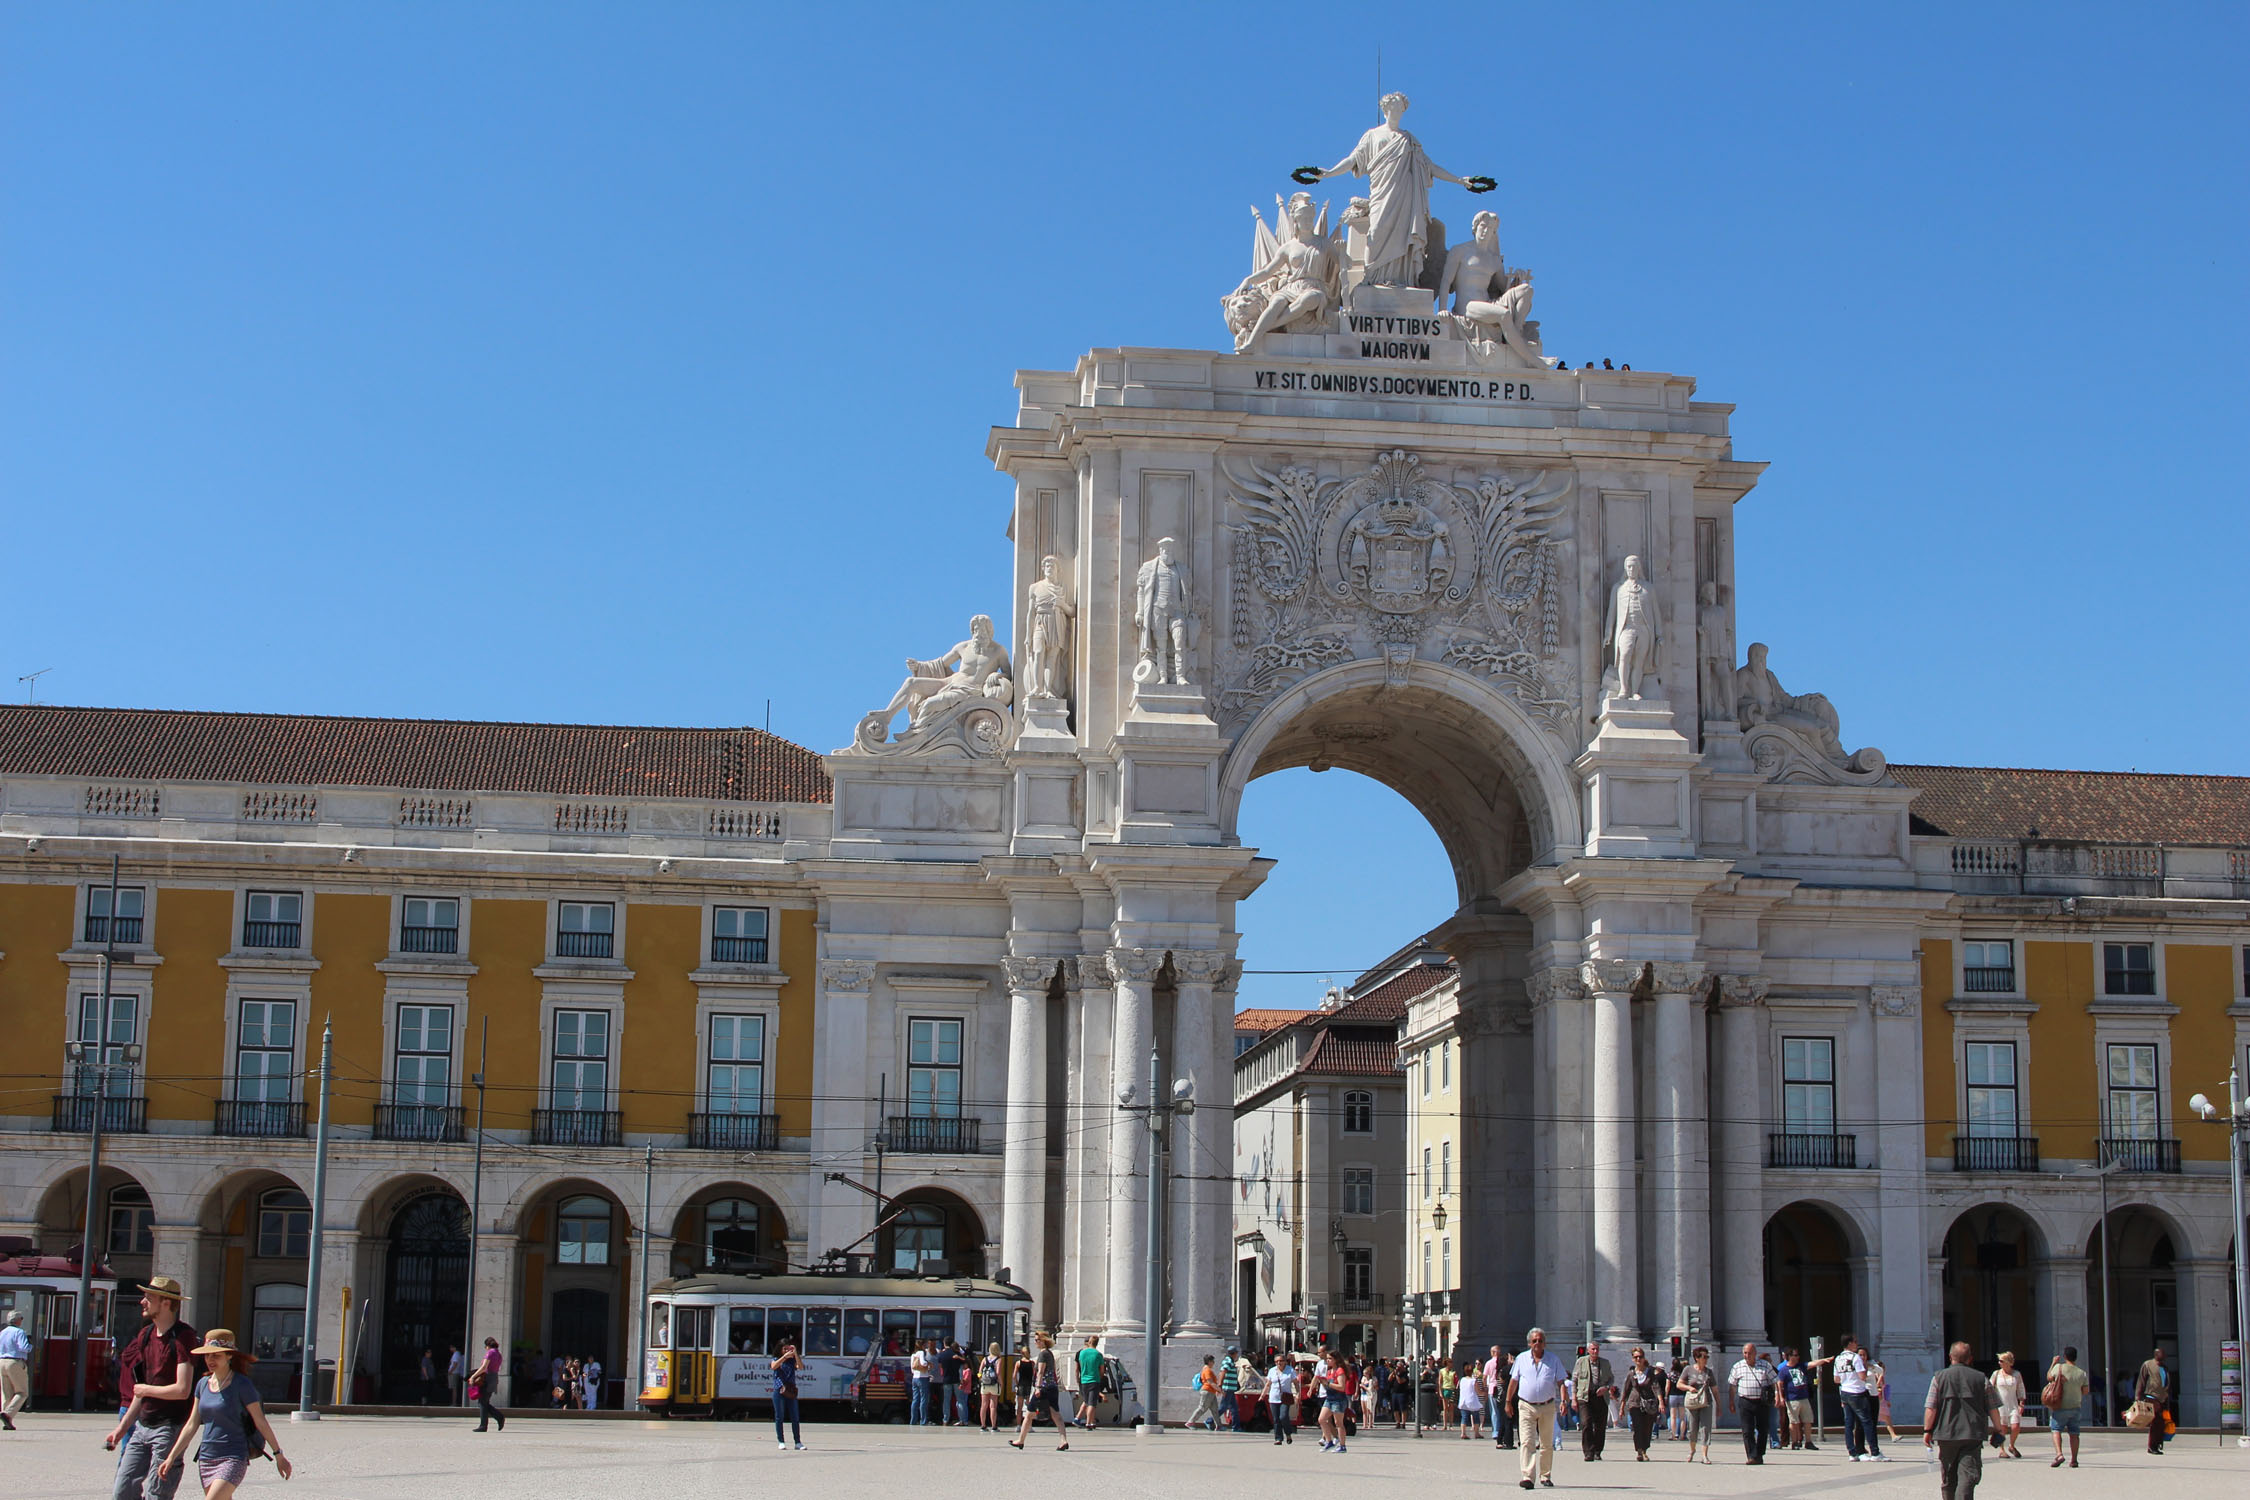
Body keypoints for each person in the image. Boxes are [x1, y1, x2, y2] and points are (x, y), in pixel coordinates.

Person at [155, 1329, 292, 1498]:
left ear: (229, 1356)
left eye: (216, 1355)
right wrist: (171, 1457)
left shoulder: (242, 1384)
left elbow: (260, 1421)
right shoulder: (203, 1384)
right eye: (207, 1356)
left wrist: (279, 1454)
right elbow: (192, 1424)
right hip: (206, 1458)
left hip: (233, 1457)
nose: (210, 1360)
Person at [109, 1275, 200, 1500]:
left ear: (166, 1303)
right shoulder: (146, 1335)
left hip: (169, 1428)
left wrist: (146, 1390)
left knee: (156, 1494)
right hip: (142, 1425)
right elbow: (142, 1389)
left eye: (149, 1297)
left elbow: (182, 1390)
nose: (143, 1302)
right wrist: (122, 1429)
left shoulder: (183, 1337)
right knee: (122, 1491)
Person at [1924, 1340, 2000, 1500]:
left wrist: (1927, 1430)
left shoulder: (1938, 1377)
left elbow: (1931, 1407)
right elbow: (1993, 1407)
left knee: (1948, 1478)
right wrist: (1998, 1429)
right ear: (1970, 1358)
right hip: (1972, 1435)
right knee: (1968, 1477)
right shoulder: (1981, 1379)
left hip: (1946, 1434)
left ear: (1950, 1356)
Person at [1505, 1326, 1572, 1490]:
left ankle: (1545, 1475)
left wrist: (1564, 1401)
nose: (1537, 1343)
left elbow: (1561, 1382)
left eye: (1540, 1341)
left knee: (1546, 1443)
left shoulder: (1553, 1359)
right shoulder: (1521, 1359)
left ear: (1545, 1343)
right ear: (1529, 1343)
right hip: (1526, 1405)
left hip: (1547, 1406)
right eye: (1534, 1341)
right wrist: (1507, 1401)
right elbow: (1514, 1381)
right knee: (1527, 1441)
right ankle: (1528, 1476)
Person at [1008, 1333, 1069, 1450]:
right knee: (1056, 1415)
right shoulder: (1050, 1354)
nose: (1035, 1342)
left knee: (1029, 1414)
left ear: (1043, 1341)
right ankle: (1063, 1441)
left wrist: (1038, 1387)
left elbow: (1041, 1372)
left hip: (1043, 1388)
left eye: (1037, 1340)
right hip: (1052, 1387)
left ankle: (1020, 1441)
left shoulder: (1043, 1354)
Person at [1834, 1334, 1885, 1461]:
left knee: (1849, 1423)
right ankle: (1875, 1452)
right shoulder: (1855, 1357)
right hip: (1857, 1391)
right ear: (1850, 1343)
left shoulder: (1838, 1358)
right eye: (1855, 1342)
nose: (1857, 1344)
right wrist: (1864, 1370)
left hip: (1845, 1391)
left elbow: (1836, 1379)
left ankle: (1852, 1453)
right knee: (1867, 1421)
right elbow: (1862, 1376)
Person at [1726, 1342, 1778, 1465]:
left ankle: (1759, 1453)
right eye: (1745, 1353)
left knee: (1763, 1429)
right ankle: (1752, 1455)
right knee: (1747, 1430)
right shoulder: (1737, 1366)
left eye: (1749, 1353)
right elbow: (1732, 1386)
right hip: (1745, 1401)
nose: (1747, 1355)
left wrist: (1778, 1396)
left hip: (1761, 1402)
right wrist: (1731, 1402)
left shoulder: (1764, 1365)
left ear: (1755, 1353)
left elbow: (1775, 1381)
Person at [2044, 1345, 2088, 1468]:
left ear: (2064, 1356)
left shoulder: (2059, 1368)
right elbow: (2085, 1391)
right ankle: (2074, 1460)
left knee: (2056, 1430)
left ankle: (2059, 1454)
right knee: (2074, 1433)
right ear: (2076, 1357)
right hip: (2075, 1406)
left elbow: (2049, 1377)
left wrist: (2053, 1363)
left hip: (2060, 1406)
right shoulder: (2082, 1373)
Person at [1674, 1347, 1716, 1464]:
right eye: (1704, 1356)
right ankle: (1692, 1450)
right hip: (1692, 1403)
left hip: (1706, 1402)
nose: (1706, 1359)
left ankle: (1704, 1455)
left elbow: (1715, 1389)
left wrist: (1719, 1405)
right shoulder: (1688, 1369)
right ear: (1697, 1358)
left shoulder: (1709, 1372)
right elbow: (1679, 1384)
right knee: (1692, 1429)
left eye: (1707, 1356)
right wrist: (1689, 1388)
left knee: (1706, 1429)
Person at [1572, 1341, 1614, 1459]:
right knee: (1586, 1423)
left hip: (1600, 1397)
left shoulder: (1605, 1363)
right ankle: (1588, 1452)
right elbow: (1574, 1380)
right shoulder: (1581, 1362)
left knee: (1600, 1426)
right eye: (1593, 1349)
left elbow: (1611, 1379)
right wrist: (1574, 1398)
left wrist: (1605, 1388)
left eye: (1597, 1349)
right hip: (1585, 1397)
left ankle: (1597, 1451)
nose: (1595, 1351)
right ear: (1588, 1350)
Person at [1620, 1347, 1663, 1461]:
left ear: (1644, 1358)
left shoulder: (1650, 1372)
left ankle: (1645, 1450)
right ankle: (1639, 1450)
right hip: (1635, 1403)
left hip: (1648, 1403)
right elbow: (1626, 1390)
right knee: (1638, 1427)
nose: (1638, 1359)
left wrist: (1661, 1402)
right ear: (1633, 1359)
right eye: (1636, 1357)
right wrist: (1622, 1406)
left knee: (1647, 1427)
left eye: (1640, 1357)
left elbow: (1656, 1387)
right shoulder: (1631, 1373)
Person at [1988, 1351, 2024, 1459]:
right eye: (1999, 1361)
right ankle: (2002, 1450)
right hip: (2000, 1405)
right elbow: (1989, 1387)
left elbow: (2021, 1388)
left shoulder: (2016, 1374)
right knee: (2002, 1427)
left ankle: (2011, 1445)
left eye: (2002, 1361)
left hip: (2013, 1404)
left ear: (2008, 1362)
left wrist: (2021, 1403)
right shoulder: (1996, 1374)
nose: (1999, 1363)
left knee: (2015, 1426)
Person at [1314, 1350, 1351, 1453]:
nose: (1328, 1360)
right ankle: (1329, 1441)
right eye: (1327, 1358)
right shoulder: (1329, 1371)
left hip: (1338, 1400)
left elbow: (1341, 1387)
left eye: (1330, 1358)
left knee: (1338, 1423)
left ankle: (1342, 1445)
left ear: (1336, 1360)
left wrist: (1328, 1384)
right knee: (1321, 1419)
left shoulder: (1340, 1371)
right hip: (1329, 1398)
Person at [2135, 1346, 2170, 1454]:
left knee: (2161, 1423)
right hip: (2151, 1396)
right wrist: (2138, 1396)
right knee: (2155, 1422)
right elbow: (2141, 1380)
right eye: (2162, 1354)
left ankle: (2158, 1444)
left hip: (2162, 1398)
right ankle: (2152, 1446)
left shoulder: (2164, 1367)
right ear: (2156, 1355)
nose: (2164, 1356)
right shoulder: (2148, 1365)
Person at [770, 1339, 804, 1450]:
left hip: (791, 1390)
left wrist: (795, 1353)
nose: (786, 1351)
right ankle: (781, 1441)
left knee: (795, 1416)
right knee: (779, 1416)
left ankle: (797, 1442)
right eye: (784, 1349)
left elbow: (801, 1367)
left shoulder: (792, 1360)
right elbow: (774, 1366)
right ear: (780, 1349)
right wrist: (784, 1357)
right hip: (779, 1390)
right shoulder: (776, 1359)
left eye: (787, 1349)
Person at [1, 1309, 31, 1430]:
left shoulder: (2, 1332)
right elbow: (24, 1348)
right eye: (21, 1319)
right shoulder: (19, 1332)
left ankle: (6, 1419)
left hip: (1, 1361)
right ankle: (7, 1415)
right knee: (22, 1392)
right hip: (15, 1362)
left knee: (5, 1393)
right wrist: (30, 1345)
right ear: (18, 1320)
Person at [468, 1337, 504, 1430]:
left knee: (482, 1402)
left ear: (488, 1345)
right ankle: (498, 1417)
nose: (485, 1348)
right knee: (484, 1401)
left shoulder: (490, 1352)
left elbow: (484, 1367)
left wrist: (473, 1376)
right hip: (494, 1378)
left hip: (487, 1379)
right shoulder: (498, 1354)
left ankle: (485, 1425)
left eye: (485, 1346)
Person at [1264, 1349, 1298, 1444]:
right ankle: (1278, 1438)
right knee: (1276, 1419)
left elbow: (1295, 1383)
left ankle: (1288, 1433)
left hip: (1285, 1397)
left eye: (1281, 1361)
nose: (1279, 1363)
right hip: (1273, 1397)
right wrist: (1263, 1395)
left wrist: (1298, 1393)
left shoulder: (1290, 1370)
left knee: (1283, 1416)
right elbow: (1268, 1384)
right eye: (1277, 1361)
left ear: (1285, 1362)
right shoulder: (1272, 1371)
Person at [1075, 1335, 1104, 1429]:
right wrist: (1099, 1377)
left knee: (1087, 1401)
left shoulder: (1082, 1353)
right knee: (1092, 1403)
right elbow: (1102, 1370)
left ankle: (1089, 1421)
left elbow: (1079, 1367)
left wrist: (1079, 1379)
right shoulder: (1098, 1354)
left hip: (1084, 1380)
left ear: (1089, 1342)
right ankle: (1088, 1422)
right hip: (1094, 1380)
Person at [938, 1340, 966, 1426]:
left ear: (944, 1343)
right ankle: (962, 1420)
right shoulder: (956, 1355)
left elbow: (940, 1366)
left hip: (946, 1380)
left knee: (946, 1401)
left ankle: (945, 1420)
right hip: (956, 1380)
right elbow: (964, 1361)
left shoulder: (942, 1354)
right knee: (960, 1400)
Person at [1191, 1355, 1221, 1431]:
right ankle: (1191, 1422)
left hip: (1211, 1392)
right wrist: (1220, 1390)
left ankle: (1219, 1426)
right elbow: (1210, 1382)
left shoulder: (1207, 1370)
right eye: (1213, 1361)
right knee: (1202, 1408)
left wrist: (1217, 1390)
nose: (1214, 1363)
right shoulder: (1207, 1370)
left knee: (1215, 1410)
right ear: (1209, 1362)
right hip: (1207, 1391)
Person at [977, 1343, 1003, 1431]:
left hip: (984, 1385)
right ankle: (994, 1426)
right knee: (993, 1406)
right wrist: (1001, 1383)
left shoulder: (985, 1359)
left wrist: (981, 1378)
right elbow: (998, 1373)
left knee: (983, 1405)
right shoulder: (999, 1359)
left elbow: (979, 1371)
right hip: (994, 1384)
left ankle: (983, 1425)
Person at [1457, 1358, 1485, 1439]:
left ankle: (1463, 1433)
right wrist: (1484, 1392)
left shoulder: (1462, 1380)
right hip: (1472, 1401)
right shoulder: (1473, 1381)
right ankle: (1476, 1433)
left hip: (1463, 1401)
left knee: (1464, 1418)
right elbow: (1478, 1391)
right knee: (1476, 1417)